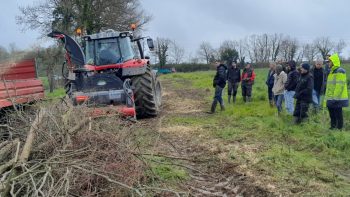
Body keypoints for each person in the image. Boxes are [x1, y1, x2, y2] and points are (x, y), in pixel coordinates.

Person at [324, 54, 349, 130]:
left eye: (329, 61)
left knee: (338, 114)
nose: (328, 63)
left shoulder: (340, 71)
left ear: (333, 61)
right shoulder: (331, 72)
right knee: (332, 114)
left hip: (337, 98)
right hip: (331, 98)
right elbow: (329, 87)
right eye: (327, 62)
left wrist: (335, 98)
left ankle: (339, 129)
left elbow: (339, 86)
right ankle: (333, 127)